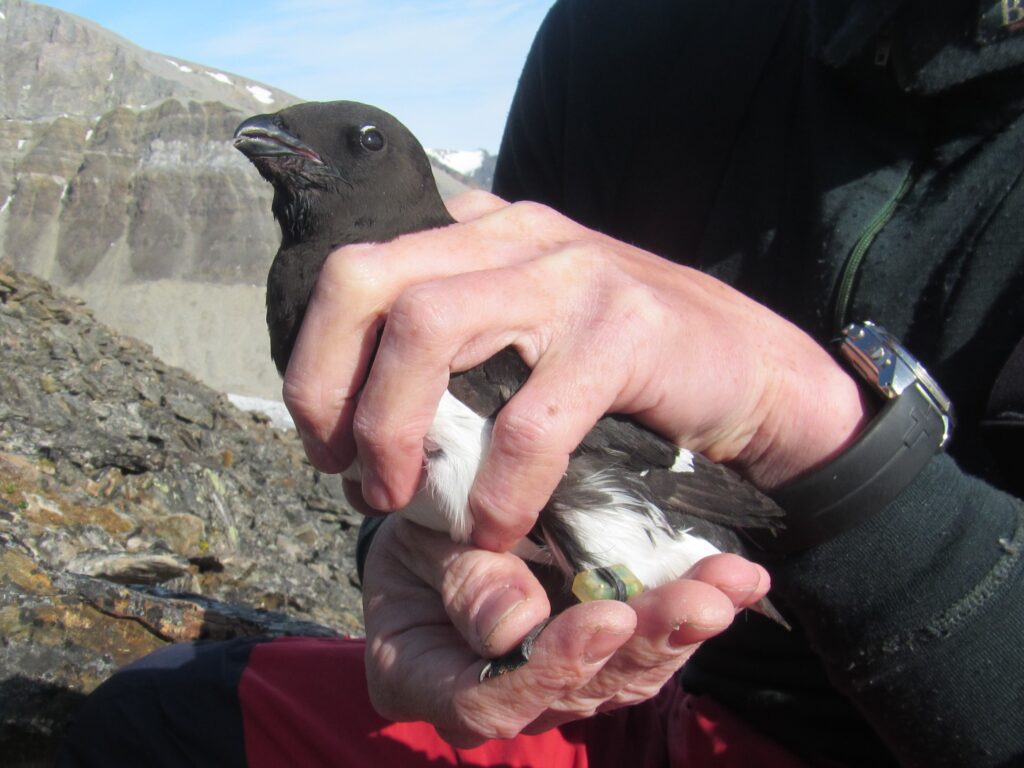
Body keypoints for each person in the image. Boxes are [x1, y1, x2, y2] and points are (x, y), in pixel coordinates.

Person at [60, 0, 1024, 766]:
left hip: (859, 720)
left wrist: (813, 430)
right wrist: (408, 549)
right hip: (616, 702)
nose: (286, 139)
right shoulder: (627, 35)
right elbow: (464, 446)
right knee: (150, 726)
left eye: (353, 143)